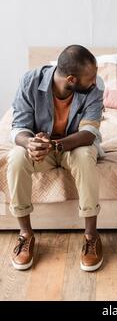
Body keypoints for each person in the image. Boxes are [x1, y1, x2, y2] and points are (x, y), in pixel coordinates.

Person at [7, 45, 104, 272]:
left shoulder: (95, 87)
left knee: (84, 156)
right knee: (17, 157)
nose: (95, 81)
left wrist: (55, 144)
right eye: (90, 78)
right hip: (41, 147)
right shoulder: (30, 81)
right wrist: (30, 142)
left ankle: (91, 236)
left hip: (74, 145)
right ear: (71, 79)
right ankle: (25, 234)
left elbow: (89, 134)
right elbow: (18, 127)